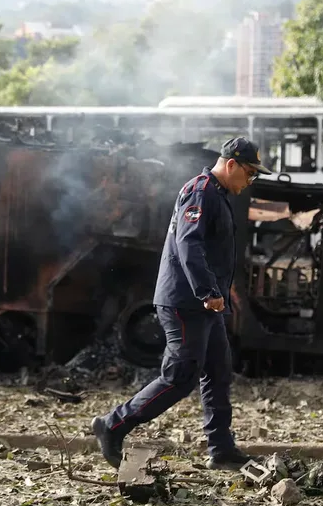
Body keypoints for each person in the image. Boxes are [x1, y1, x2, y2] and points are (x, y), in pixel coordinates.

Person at [91, 137, 271, 470]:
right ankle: (113, 424)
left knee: (218, 371)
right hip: (187, 303)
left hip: (204, 304)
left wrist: (219, 291)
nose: (250, 182)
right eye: (250, 174)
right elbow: (189, 244)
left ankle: (221, 450)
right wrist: (207, 291)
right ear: (231, 164)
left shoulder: (215, 193)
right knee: (180, 377)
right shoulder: (201, 192)